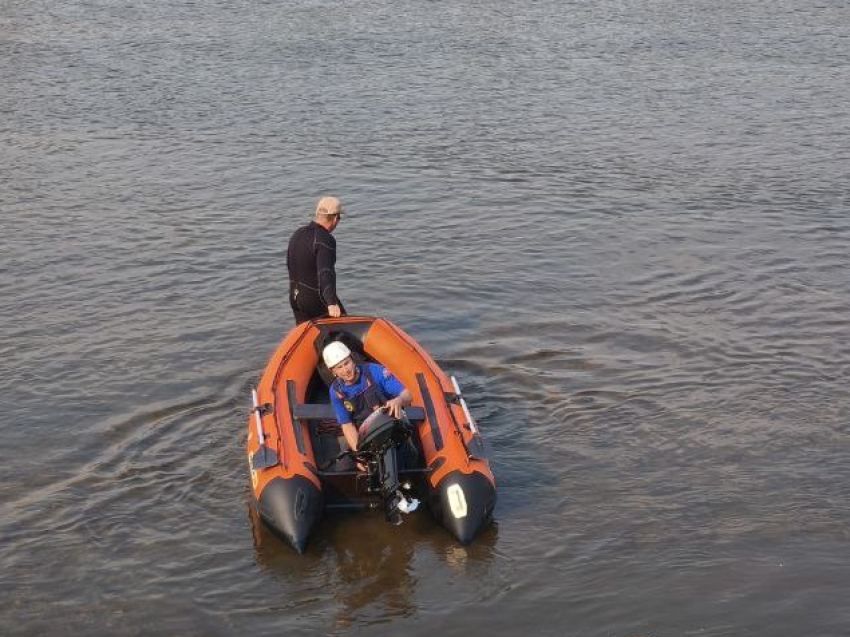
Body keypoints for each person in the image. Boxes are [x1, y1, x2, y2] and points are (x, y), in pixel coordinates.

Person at [322, 341, 412, 454]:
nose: (346, 370)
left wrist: (399, 400)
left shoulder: (375, 371)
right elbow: (347, 424)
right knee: (346, 466)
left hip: (390, 425)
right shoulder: (336, 391)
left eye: (347, 363)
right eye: (339, 367)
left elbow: (407, 395)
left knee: (407, 456)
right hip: (366, 434)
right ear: (332, 371)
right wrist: (358, 453)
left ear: (352, 360)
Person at [286, 196, 347, 324]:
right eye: (339, 218)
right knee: (345, 330)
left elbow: (290, 265)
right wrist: (331, 303)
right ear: (335, 218)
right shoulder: (325, 239)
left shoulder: (298, 234)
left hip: (295, 298)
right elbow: (325, 271)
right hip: (315, 299)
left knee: (308, 336)